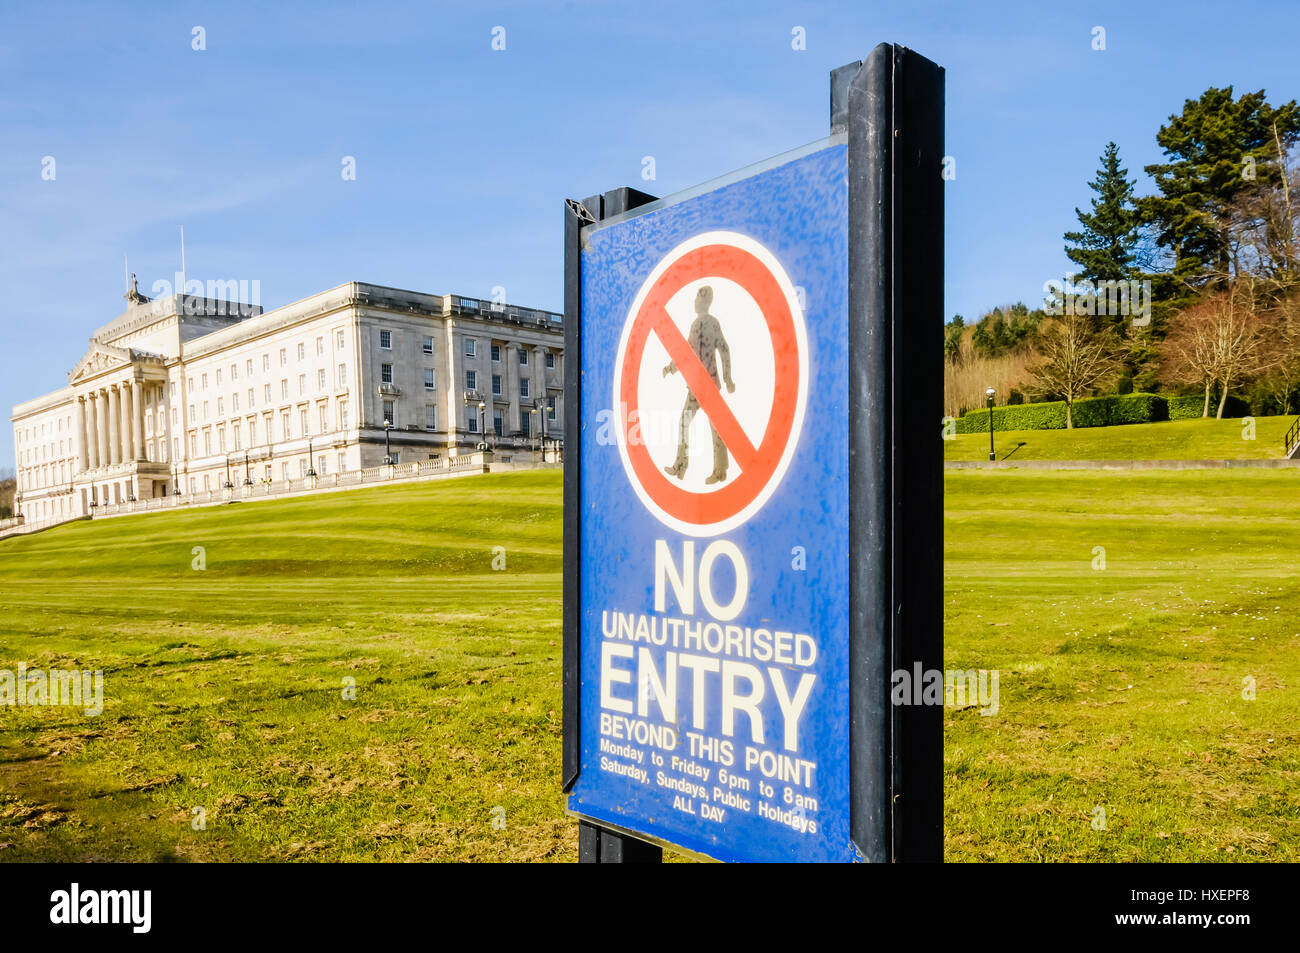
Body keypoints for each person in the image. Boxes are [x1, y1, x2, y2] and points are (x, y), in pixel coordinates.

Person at [662, 284, 734, 485]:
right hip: (697, 386)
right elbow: (686, 352)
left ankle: (719, 471)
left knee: (716, 429)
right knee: (686, 424)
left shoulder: (711, 323)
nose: (693, 302)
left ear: (703, 301)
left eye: (696, 298)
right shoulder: (696, 324)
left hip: (708, 385)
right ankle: (681, 466)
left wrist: (728, 378)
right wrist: (671, 367)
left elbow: (723, 349)